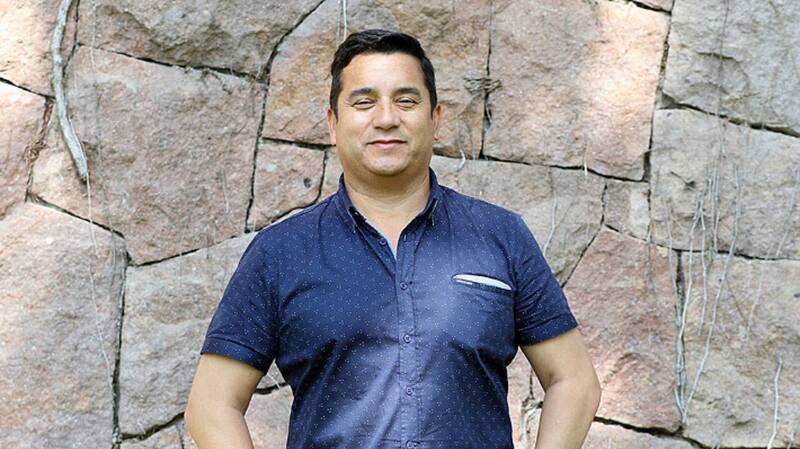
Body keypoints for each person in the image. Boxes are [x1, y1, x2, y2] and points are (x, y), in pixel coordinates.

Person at [185, 29, 601, 449]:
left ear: (435, 119)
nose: (386, 118)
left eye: (406, 101)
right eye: (364, 102)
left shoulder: (500, 236)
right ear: (332, 124)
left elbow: (573, 380)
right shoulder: (280, 253)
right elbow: (212, 405)